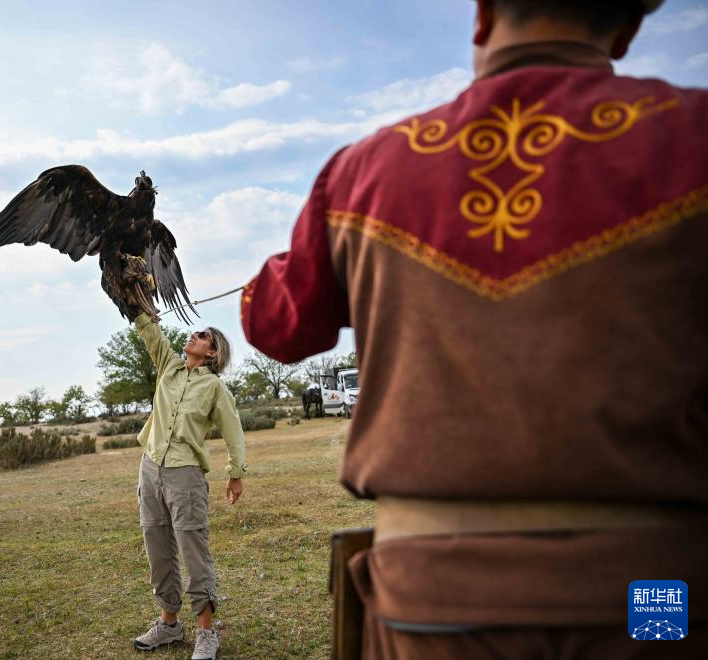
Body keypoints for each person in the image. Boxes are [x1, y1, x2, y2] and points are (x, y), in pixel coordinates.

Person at [241, 0, 707, 657]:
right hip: (653, 591)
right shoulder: (694, 135)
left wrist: (290, 265)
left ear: (483, 16)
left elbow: (278, 326)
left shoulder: (362, 172)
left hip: (434, 600)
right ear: (626, 28)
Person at [130, 312, 246, 660]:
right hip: (150, 468)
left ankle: (206, 633)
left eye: (203, 336)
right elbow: (150, 332)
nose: (193, 335)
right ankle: (169, 624)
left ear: (213, 353)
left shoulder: (214, 388)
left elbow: (233, 429)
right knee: (157, 546)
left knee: (194, 549)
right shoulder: (169, 366)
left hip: (186, 476)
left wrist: (236, 472)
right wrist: (138, 303)